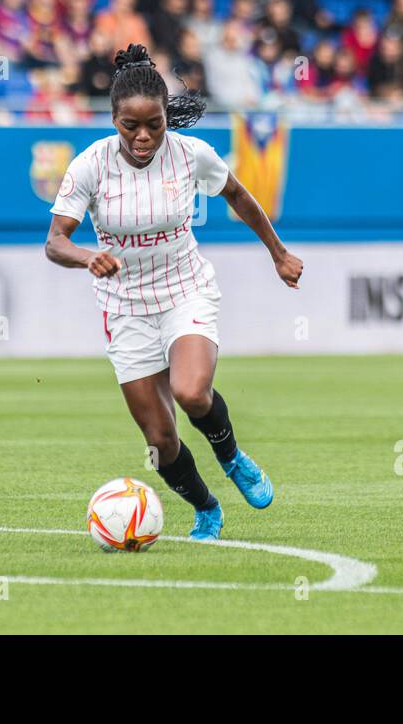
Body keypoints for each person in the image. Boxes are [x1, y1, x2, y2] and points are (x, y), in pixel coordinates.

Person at [45, 43, 303, 541]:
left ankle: (232, 458)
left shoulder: (191, 155)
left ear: (167, 117)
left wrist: (278, 252)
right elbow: (55, 241)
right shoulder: (89, 167)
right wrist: (86, 256)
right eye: (130, 126)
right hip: (124, 307)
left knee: (190, 391)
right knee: (160, 439)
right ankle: (206, 509)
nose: (143, 137)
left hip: (185, 289)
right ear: (114, 119)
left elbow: (238, 196)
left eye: (154, 125)